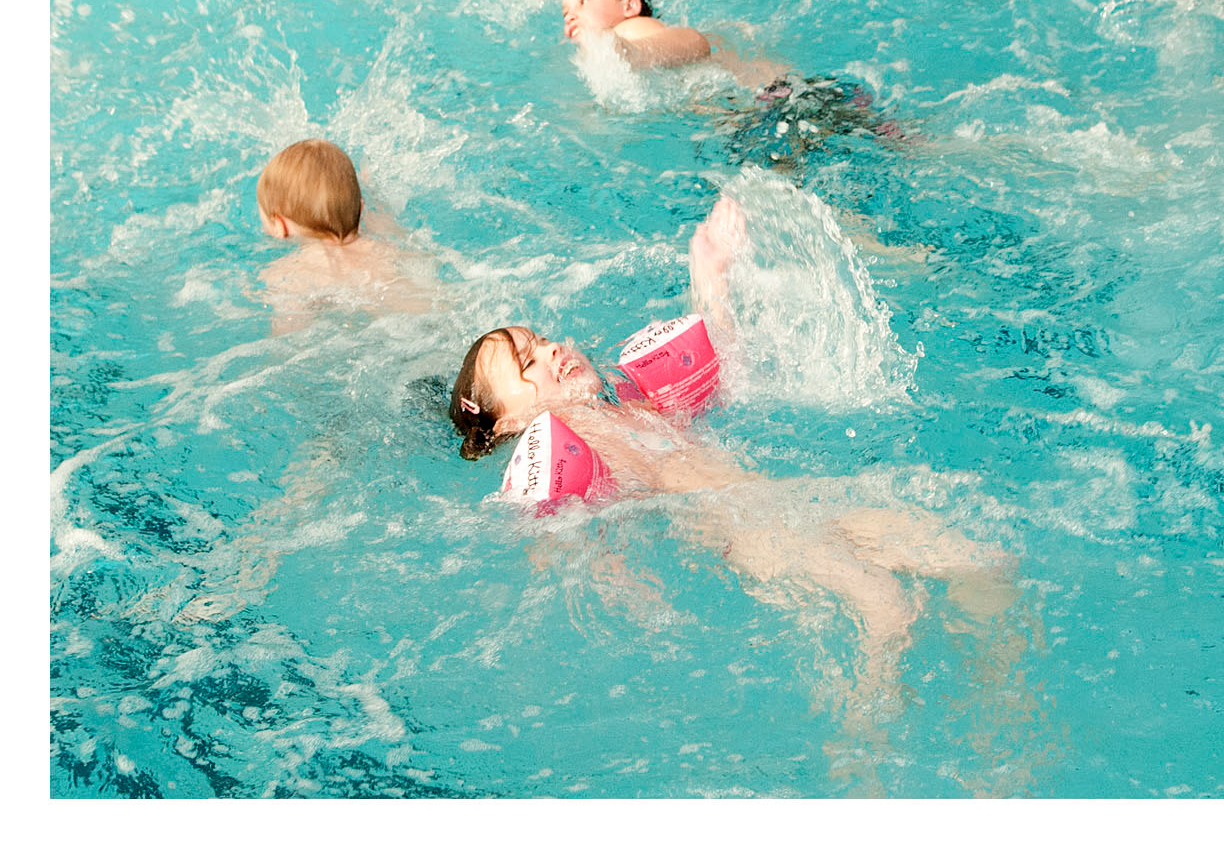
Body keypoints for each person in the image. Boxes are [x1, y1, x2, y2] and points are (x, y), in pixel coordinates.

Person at [446, 196, 1015, 703]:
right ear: (506, 424)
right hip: (752, 535)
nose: (549, 352)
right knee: (888, 606)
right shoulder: (568, 445)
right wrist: (615, 578)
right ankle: (866, 753)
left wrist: (710, 273)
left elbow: (724, 368)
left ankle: (1000, 702)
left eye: (542, 340)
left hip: (792, 501)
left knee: (982, 561)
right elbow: (562, 528)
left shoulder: (629, 407)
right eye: (527, 364)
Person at [254, 138, 433, 333]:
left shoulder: (289, 274)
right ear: (361, 208)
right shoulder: (384, 244)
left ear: (279, 225)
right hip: (425, 310)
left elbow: (288, 336)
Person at [560, 0, 713, 69]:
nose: (569, 17)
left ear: (629, 7)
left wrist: (633, 52)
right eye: (565, 13)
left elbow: (696, 42)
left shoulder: (630, 27)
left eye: (583, 1)